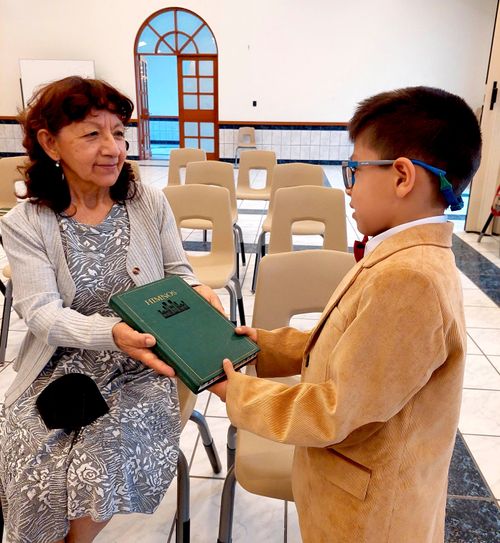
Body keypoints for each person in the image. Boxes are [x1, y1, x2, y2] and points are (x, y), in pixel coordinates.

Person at [210, 86, 482, 542]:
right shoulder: (403, 256)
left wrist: (235, 392)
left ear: (401, 177)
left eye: (354, 170)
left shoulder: (409, 280)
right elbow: (343, 348)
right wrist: (260, 344)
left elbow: (334, 412)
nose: (348, 187)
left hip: (371, 522)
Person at [0, 76, 222, 543]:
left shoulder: (146, 202)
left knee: (92, 467)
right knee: (31, 458)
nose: (113, 148)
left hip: (144, 364)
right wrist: (111, 332)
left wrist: (197, 289)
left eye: (119, 132)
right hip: (58, 366)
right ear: (49, 143)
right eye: (92, 133)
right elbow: (40, 312)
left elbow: (179, 271)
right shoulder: (27, 221)